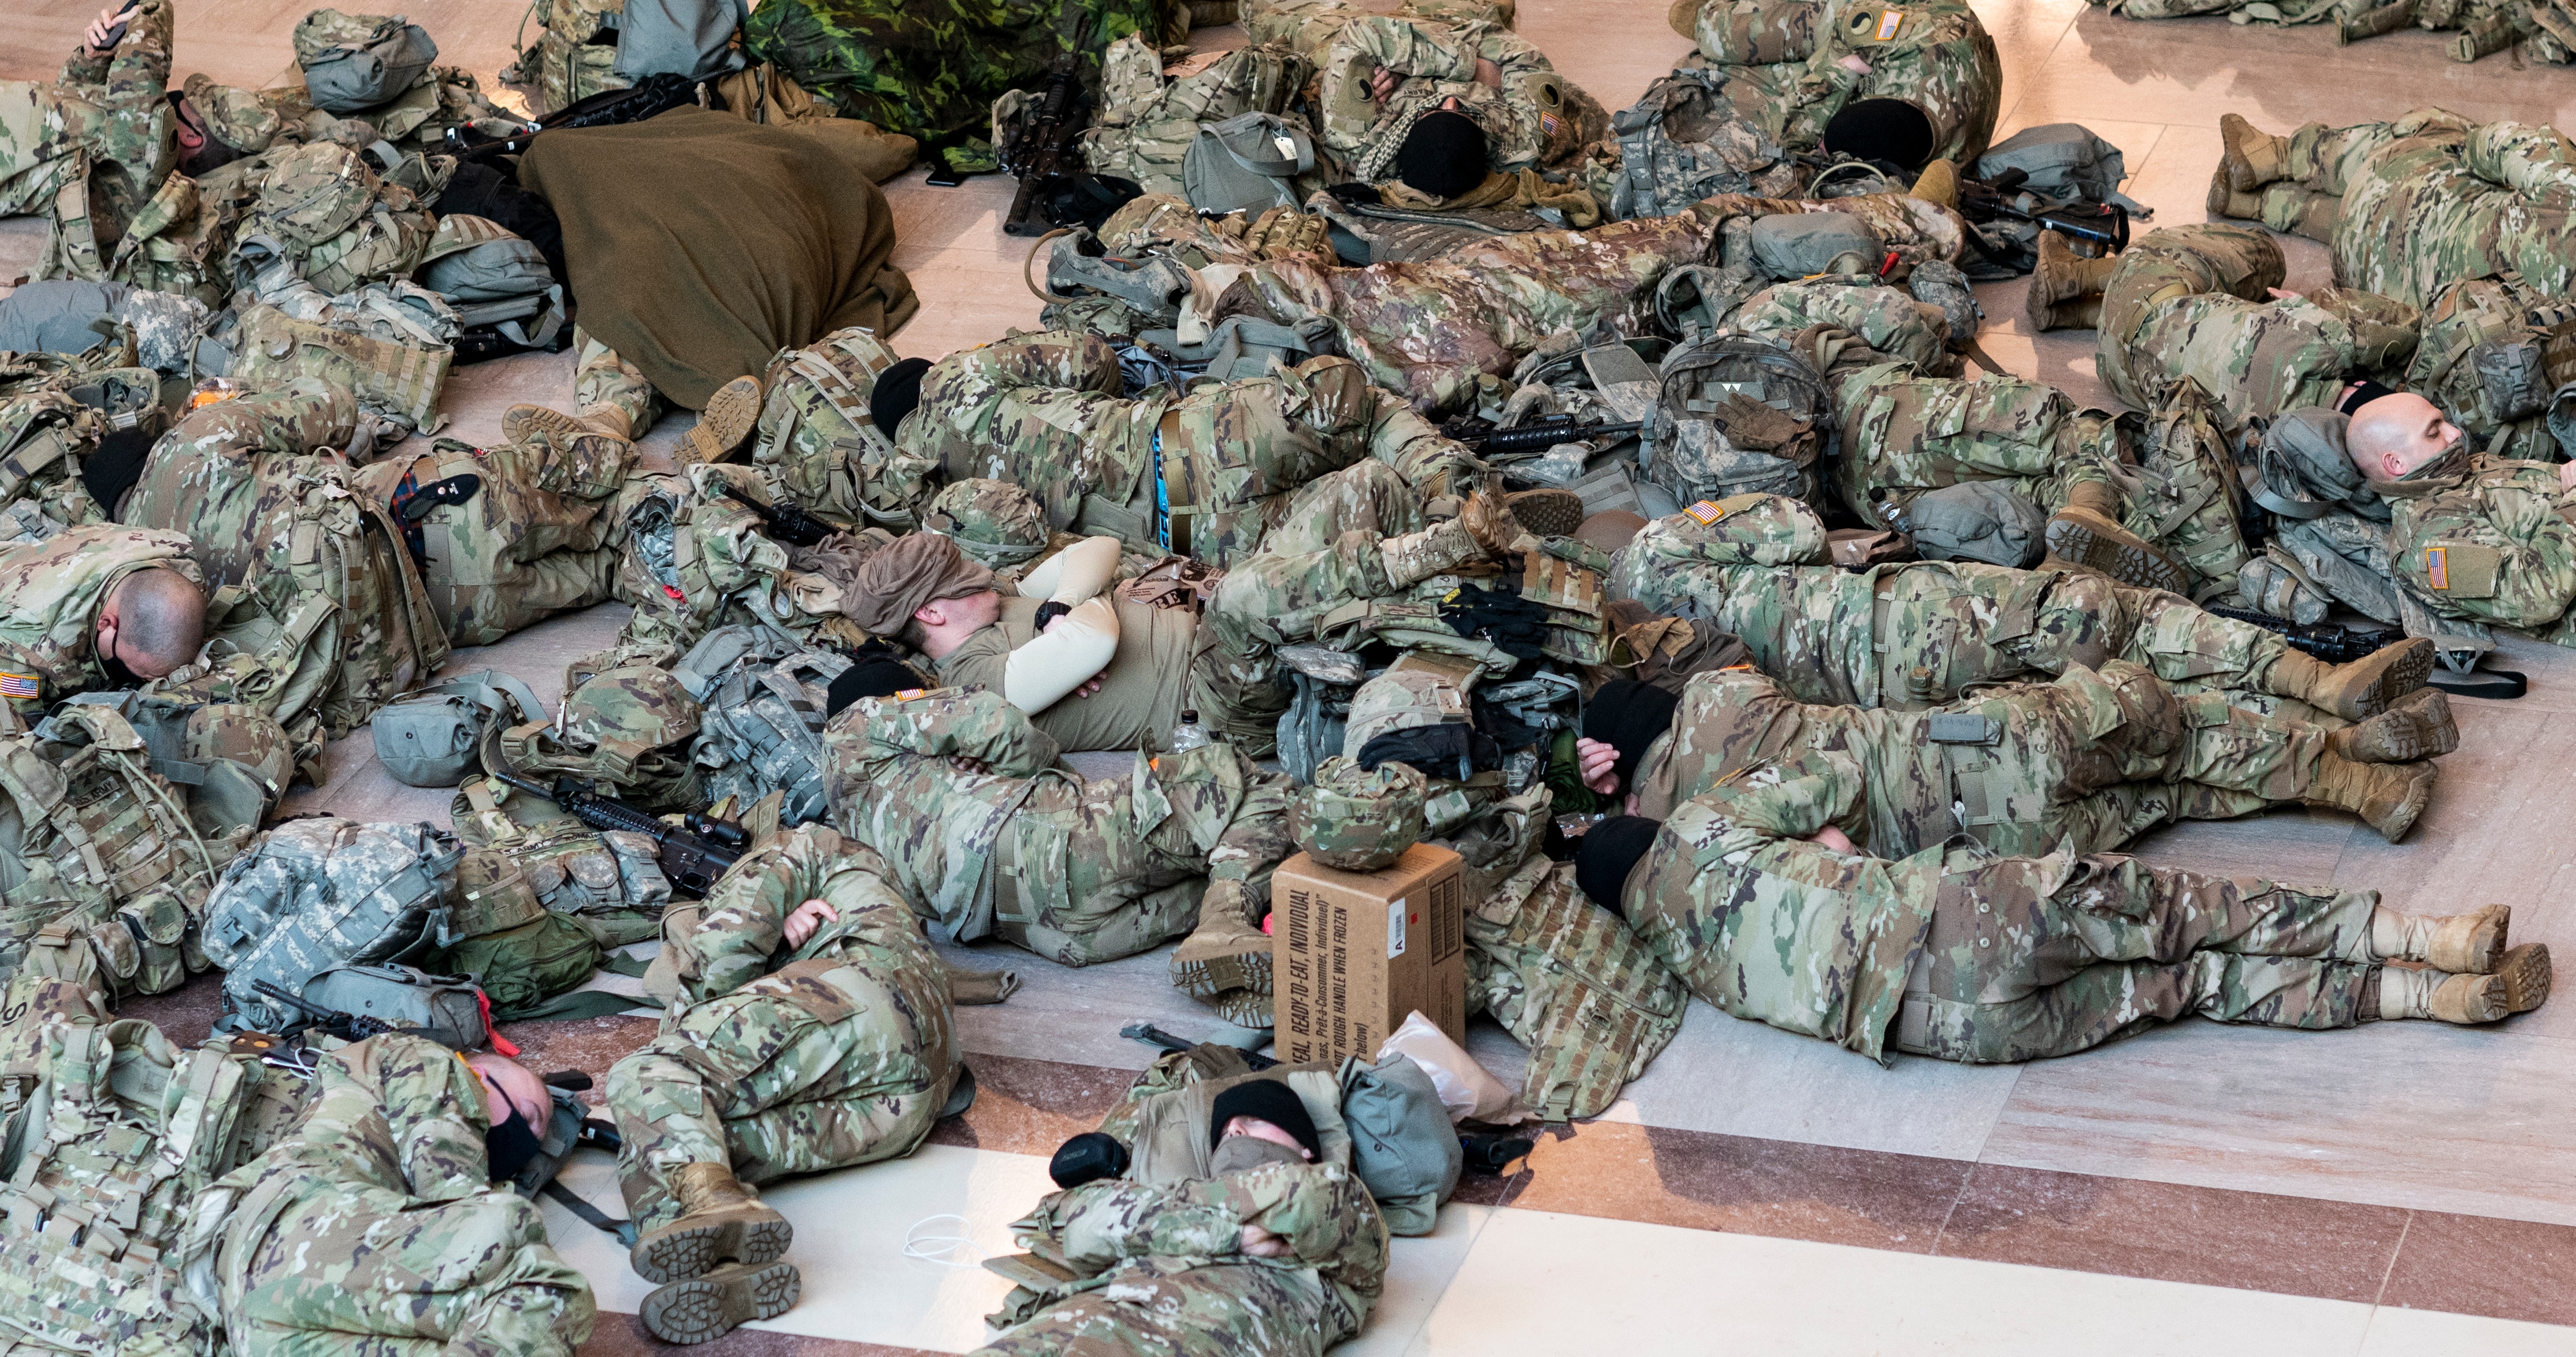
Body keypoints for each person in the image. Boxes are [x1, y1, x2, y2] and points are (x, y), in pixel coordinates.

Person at [1585, 764, 2551, 1066]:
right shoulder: (1703, 825)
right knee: (2188, 907)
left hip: (1949, 1028)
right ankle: (2423, 939)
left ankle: (2419, 999)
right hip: (1956, 916)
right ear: (1653, 834)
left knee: (2189, 982)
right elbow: (1830, 777)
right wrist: (1831, 850)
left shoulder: (1681, 965)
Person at [1072, 184, 1964, 413]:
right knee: (1675, 256)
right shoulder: (1236, 338)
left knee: (1677, 245)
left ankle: (1890, 220)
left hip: (1478, 296)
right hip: (1477, 311)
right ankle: (1886, 229)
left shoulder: (1228, 303)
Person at [838, 469, 1535, 753]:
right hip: (1215, 703)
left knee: (1362, 488)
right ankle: (1438, 550)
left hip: (1220, 634)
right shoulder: (981, 684)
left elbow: (1098, 550)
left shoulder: (1010, 602)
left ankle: (1490, 560)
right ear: (931, 616)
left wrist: (1057, 606)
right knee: (1245, 595)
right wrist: (1075, 619)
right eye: (963, 579)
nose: (983, 573)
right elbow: (1094, 640)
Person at [1609, 493, 2436, 722]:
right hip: (1887, 617)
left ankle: (2320, 736)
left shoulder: (1614, 679)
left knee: (2097, 701)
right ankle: (2316, 683)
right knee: (2111, 615)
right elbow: (1791, 526)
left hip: (1869, 708)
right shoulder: (1654, 548)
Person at [602, 825, 960, 1343]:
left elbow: (722, 954)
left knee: (648, 1077)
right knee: (676, 1140)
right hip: (916, 1092)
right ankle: (719, 1268)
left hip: (866, 1003)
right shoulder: (862, 884)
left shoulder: (801, 843)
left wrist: (683, 1031)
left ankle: (712, 1208)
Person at [1572, 655, 2453, 858]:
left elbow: (1636, 850)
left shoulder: (1687, 824)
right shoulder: (1722, 693)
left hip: (1993, 836)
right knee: (2176, 728)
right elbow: (1723, 666)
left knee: (2168, 796)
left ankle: (2353, 781)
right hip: (1987, 740)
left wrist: (1612, 797)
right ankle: (2340, 760)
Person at [886, 329, 1495, 567]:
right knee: (1349, 394)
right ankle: (1449, 485)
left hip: (1179, 539)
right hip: (1186, 445)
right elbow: (1091, 359)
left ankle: (1440, 535)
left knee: (1354, 502)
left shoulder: (926, 496)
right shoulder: (957, 375)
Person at [819, 683, 1296, 967]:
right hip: (1055, 843)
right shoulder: (856, 722)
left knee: (1222, 864)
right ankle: (1227, 920)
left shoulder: (850, 827)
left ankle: (1227, 920)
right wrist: (1071, 783)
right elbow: (995, 724)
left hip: (1056, 935)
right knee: (1257, 787)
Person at [206, 1034, 599, 1354]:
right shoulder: (430, 1061)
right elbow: (457, 1199)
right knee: (544, 1282)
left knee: (472, 1328)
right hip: (300, 1230)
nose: (529, 1137)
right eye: (530, 1115)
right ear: (477, 1075)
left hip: (250, 1308)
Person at [973, 1082, 1389, 1357]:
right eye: (1225, 1132)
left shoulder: (1338, 1197)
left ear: (1305, 1150)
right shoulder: (1182, 1195)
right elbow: (1085, 1228)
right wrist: (1230, 1234)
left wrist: (1166, 1217)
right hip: (1065, 1327)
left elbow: (1308, 1200)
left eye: (1255, 1121)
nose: (1237, 1132)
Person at [2028, 223, 2421, 432]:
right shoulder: (2284, 454)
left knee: (2266, 257)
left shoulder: (2318, 339)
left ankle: (2077, 275)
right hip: (2121, 378)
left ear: (2355, 385)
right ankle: (2076, 315)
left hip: (2145, 292)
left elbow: (2404, 322)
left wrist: (2300, 312)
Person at [2209, 109, 2576, 313]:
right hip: (2371, 285)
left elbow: (2490, 142)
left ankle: (2278, 156)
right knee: (2397, 227)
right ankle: (2262, 204)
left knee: (2442, 129)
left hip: (2387, 191)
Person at [1243, 0, 1600, 194]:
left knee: (1276, 13)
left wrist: (1401, 63)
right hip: (1465, 29)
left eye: (1426, 112)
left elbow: (1359, 36)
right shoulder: (1522, 142)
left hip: (1363, 40)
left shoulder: (1357, 137)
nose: (1451, 102)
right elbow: (1527, 59)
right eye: (1464, 113)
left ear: (1402, 136)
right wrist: (1468, 68)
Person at [352, 427, 637, 646]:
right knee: (614, 477)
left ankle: (609, 413)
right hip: (456, 501)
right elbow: (345, 425)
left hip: (457, 613)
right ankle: (608, 414)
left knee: (615, 574)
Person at [1667, 0, 2006, 169]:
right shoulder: (1875, 27)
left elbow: (1795, 134)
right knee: (1722, 41)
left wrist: (1835, 76)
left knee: (1697, 72)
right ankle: (1710, 19)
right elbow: (1795, 29)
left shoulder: (1920, 141)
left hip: (1930, 34)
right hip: (1913, 28)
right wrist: (1708, 25)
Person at [0, 522, 203, 720]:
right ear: (105, 623)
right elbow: (20, 721)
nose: (141, 682)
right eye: (131, 671)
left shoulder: (181, 562)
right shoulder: (29, 640)